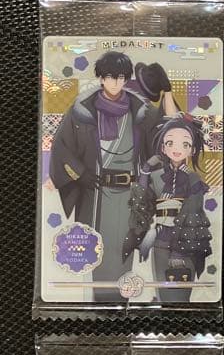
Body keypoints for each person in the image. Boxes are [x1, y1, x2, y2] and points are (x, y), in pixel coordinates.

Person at [48, 51, 177, 301]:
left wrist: (168, 92)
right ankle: (102, 302)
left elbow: (168, 132)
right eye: (110, 76)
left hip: (131, 194)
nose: (115, 82)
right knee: (98, 249)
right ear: (101, 78)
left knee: (124, 247)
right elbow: (61, 148)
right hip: (96, 192)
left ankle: (121, 302)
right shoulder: (82, 110)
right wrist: (81, 174)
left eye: (120, 77)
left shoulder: (141, 110)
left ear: (126, 79)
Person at [122, 114, 212, 302]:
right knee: (163, 294)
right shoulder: (156, 176)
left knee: (179, 296)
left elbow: (193, 213)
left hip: (185, 243)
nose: (177, 149)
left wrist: (178, 251)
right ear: (163, 147)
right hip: (160, 241)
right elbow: (141, 204)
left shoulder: (193, 179)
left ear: (192, 149)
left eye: (185, 144)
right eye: (170, 143)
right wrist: (145, 171)